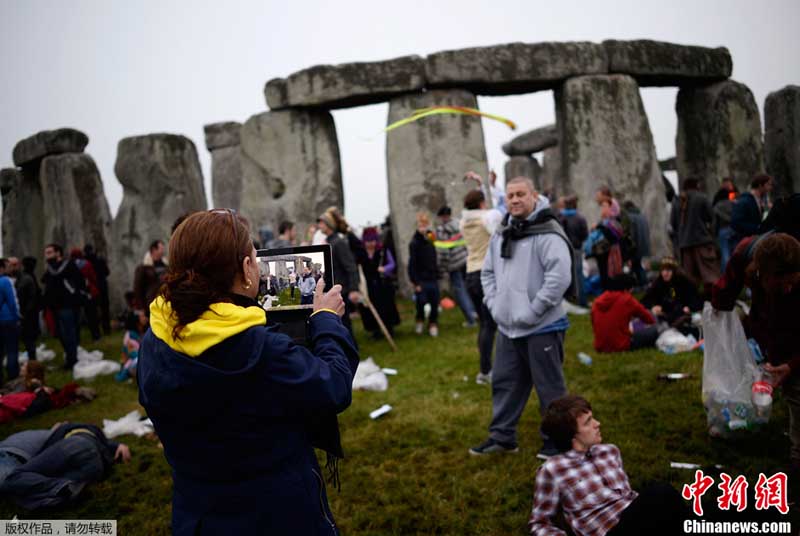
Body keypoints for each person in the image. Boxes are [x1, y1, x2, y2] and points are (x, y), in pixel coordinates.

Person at [138, 209, 359, 535]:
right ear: (245, 269)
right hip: (276, 512)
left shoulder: (157, 336)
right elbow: (333, 385)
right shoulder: (258, 349)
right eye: (255, 259)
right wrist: (325, 318)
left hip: (200, 512)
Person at [469, 176, 572, 457]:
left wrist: (534, 309)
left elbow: (559, 276)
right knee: (504, 382)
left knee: (550, 387)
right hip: (508, 326)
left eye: (520, 194)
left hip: (543, 325)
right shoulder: (502, 232)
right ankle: (502, 437)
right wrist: (494, 305)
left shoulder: (548, 232)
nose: (514, 200)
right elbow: (487, 272)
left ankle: (558, 442)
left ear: (534, 196)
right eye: (510, 195)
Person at [712, 195, 800, 473]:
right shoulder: (746, 254)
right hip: (766, 321)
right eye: (780, 284)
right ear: (761, 274)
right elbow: (723, 295)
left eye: (792, 283)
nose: (787, 288)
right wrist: (723, 332)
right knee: (779, 370)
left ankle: (798, 452)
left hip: (792, 323)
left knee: (796, 385)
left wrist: (793, 364)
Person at [530, 395, 688, 535]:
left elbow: (625, 495)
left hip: (634, 518)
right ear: (572, 436)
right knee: (660, 493)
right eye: (588, 422)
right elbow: (540, 523)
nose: (597, 424)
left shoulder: (609, 451)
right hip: (608, 530)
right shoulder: (552, 469)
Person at [0, 422, 130, 510]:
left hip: (76, 446)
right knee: (25, 492)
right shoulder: (94, 434)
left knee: (13, 481)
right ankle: (66, 490)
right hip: (96, 467)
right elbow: (101, 441)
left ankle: (61, 487)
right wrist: (117, 445)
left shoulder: (61, 432)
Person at [461, 189, 503, 384]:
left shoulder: (464, 222)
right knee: (490, 324)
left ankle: (486, 368)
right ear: (481, 203)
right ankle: (485, 371)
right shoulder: (485, 219)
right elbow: (496, 224)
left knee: (484, 325)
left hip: (470, 273)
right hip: (486, 274)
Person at [670, 178, 719, 296]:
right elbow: (712, 218)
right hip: (702, 242)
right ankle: (714, 301)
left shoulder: (676, 201)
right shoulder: (701, 198)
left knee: (689, 278)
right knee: (710, 275)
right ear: (696, 185)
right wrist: (711, 234)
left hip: (684, 245)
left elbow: (673, 224)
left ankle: (693, 303)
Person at [317, 211, 361, 342]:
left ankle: (351, 353)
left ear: (328, 224)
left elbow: (351, 266)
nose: (319, 225)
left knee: (344, 325)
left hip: (342, 289)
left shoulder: (338, 242)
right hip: (332, 288)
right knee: (338, 324)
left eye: (322, 222)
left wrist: (353, 289)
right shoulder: (329, 242)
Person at [41, 244, 86, 370]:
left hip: (68, 305)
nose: (47, 255)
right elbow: (45, 282)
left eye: (50, 252)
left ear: (58, 253)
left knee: (69, 332)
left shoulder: (69, 265)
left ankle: (72, 360)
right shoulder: (50, 268)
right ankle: (69, 356)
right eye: (46, 253)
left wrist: (76, 296)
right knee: (60, 334)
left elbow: (79, 282)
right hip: (55, 306)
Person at [591, 274, 659, 353]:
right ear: (628, 289)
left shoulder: (598, 301)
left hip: (600, 346)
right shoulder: (627, 299)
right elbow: (649, 319)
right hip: (620, 345)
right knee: (654, 330)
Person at [435, 206, 477, 327]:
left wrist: (442, 269)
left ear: (442, 216)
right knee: (470, 287)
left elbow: (443, 251)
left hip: (454, 264)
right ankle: (476, 312)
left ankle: (471, 319)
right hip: (466, 259)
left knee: (460, 291)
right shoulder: (459, 224)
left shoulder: (442, 230)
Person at [641, 256, 702, 337]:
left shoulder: (684, 284)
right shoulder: (658, 284)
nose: (665, 273)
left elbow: (697, 301)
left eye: (668, 270)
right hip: (664, 317)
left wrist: (689, 307)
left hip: (682, 316)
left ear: (674, 271)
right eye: (663, 270)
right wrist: (653, 307)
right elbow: (645, 300)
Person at [359, 227, 400, 339]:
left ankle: (389, 329)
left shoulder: (383, 250)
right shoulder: (361, 254)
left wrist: (385, 269)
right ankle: (375, 331)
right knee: (370, 309)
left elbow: (392, 264)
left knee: (386, 307)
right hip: (369, 286)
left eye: (372, 241)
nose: (370, 244)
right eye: (368, 241)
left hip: (383, 285)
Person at [408, 212, 441, 337]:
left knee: (434, 302)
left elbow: (434, 257)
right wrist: (415, 282)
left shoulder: (431, 239)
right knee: (421, 302)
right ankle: (420, 320)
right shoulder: (414, 243)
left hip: (432, 277)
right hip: (420, 279)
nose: (423, 228)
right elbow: (412, 263)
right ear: (417, 227)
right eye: (421, 226)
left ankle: (433, 323)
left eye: (425, 225)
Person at [557, 195, 589, 306]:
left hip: (563, 248)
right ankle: (582, 301)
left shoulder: (560, 217)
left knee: (564, 274)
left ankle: (567, 299)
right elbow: (585, 235)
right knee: (578, 275)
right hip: (576, 249)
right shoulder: (580, 218)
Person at [730, 174, 773, 249]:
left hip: (755, 241)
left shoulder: (760, 200)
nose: (770, 188)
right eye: (768, 185)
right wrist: (757, 228)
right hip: (746, 243)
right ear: (760, 185)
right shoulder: (745, 201)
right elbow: (735, 222)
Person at [70, 248, 101, 342]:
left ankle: (76, 339)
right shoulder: (87, 264)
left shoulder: (70, 265)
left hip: (75, 293)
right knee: (92, 315)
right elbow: (93, 277)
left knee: (76, 317)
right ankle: (96, 336)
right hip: (88, 292)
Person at [132, 239, 168, 320]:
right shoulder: (143, 268)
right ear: (154, 250)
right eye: (161, 248)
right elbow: (137, 289)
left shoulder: (166, 265)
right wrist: (141, 309)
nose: (163, 251)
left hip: (165, 302)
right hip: (150, 304)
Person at [621, 200, 650, 288]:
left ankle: (638, 285)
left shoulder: (629, 217)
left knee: (633, 267)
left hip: (635, 247)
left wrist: (628, 248)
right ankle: (644, 284)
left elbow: (631, 234)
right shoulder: (643, 217)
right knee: (640, 266)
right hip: (644, 245)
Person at [83, 244, 111, 336]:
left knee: (92, 312)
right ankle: (106, 329)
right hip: (101, 287)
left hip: (91, 289)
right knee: (104, 309)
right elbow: (107, 272)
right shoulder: (99, 260)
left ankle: (96, 333)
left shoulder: (85, 262)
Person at [16, 257, 41, 360]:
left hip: (27, 313)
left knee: (29, 339)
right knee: (29, 338)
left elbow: (30, 296)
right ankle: (32, 359)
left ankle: (32, 361)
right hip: (30, 312)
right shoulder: (29, 277)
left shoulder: (26, 278)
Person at [0, 259, 20, 383]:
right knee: (12, 350)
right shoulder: (6, 281)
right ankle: (13, 377)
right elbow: (13, 301)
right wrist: (17, 317)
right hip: (8, 320)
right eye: (7, 266)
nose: (9, 269)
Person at [711, 178, 738, 271]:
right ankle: (737, 272)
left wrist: (714, 233)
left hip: (722, 230)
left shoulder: (717, 205)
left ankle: (726, 275)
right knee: (735, 252)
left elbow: (715, 221)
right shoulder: (735, 202)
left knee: (725, 253)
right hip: (734, 229)